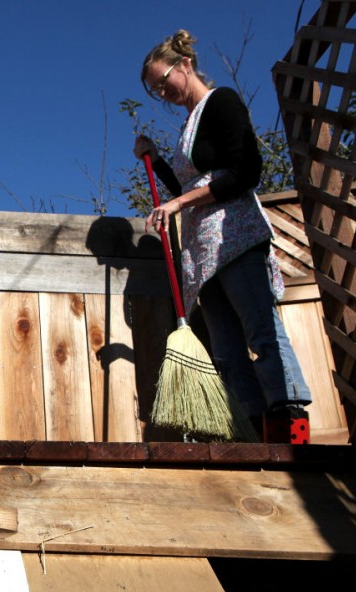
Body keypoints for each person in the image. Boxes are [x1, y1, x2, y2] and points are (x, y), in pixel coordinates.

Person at [132, 29, 311, 441]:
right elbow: (188, 192)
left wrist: (176, 205)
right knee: (227, 349)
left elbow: (247, 171)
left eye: (164, 81)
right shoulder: (187, 130)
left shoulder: (221, 102)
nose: (162, 93)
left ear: (186, 65)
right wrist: (158, 161)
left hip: (236, 237)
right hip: (202, 251)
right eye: (155, 89)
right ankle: (250, 430)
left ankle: (289, 424)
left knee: (260, 329)